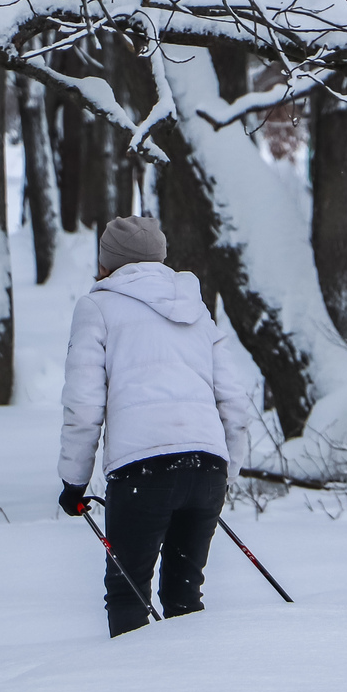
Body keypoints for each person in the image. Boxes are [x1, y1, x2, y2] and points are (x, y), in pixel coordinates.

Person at [58, 215, 254, 636]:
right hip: (207, 467)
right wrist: (224, 472)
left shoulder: (97, 307)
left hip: (141, 471)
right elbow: (235, 401)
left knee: (129, 592)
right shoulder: (197, 310)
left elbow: (83, 405)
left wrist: (74, 483)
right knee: (185, 594)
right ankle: (192, 690)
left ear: (107, 262)